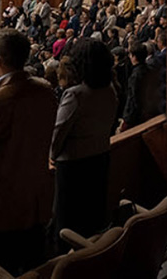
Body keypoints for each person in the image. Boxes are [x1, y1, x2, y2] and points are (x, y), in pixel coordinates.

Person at [0, 29, 58, 273]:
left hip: (0, 207)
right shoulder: (45, 91)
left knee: (1, 270)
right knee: (33, 268)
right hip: (36, 201)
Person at [52, 39, 118, 241]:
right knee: (92, 221)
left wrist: (52, 155)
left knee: (67, 226)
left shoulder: (75, 94)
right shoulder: (111, 89)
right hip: (100, 157)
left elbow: (58, 133)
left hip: (73, 166)